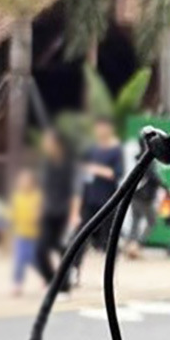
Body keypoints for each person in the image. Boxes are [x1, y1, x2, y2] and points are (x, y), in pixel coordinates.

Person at [67, 116, 124, 285]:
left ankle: (108, 275)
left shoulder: (115, 150)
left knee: (109, 240)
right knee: (80, 237)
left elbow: (116, 173)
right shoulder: (90, 149)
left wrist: (96, 169)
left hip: (108, 202)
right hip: (89, 200)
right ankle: (74, 270)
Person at [35, 129, 74, 286]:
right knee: (40, 249)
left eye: (48, 141)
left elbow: (76, 192)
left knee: (63, 248)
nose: (45, 145)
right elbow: (42, 189)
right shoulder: (46, 164)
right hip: (48, 212)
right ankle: (52, 280)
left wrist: (74, 214)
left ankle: (65, 284)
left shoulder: (69, 164)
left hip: (64, 212)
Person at [9, 169, 42, 296]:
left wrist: (37, 216)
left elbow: (40, 212)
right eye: (21, 181)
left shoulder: (37, 196)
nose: (23, 183)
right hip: (20, 233)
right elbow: (13, 214)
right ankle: (17, 283)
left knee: (34, 259)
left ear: (32, 182)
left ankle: (46, 276)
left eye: (26, 181)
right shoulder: (17, 197)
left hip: (34, 233)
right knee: (20, 259)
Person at [126, 161, 160, 258]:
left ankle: (130, 245)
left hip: (135, 197)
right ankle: (137, 244)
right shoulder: (150, 167)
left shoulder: (138, 166)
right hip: (145, 200)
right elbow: (156, 180)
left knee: (135, 222)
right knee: (152, 222)